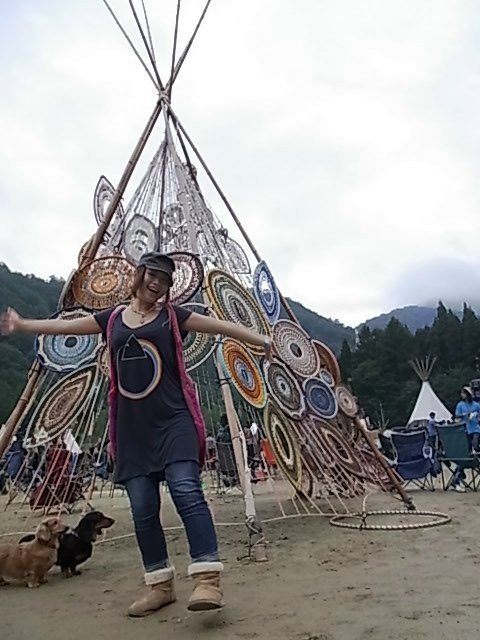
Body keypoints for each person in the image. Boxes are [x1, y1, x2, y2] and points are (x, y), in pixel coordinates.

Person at [0, 251, 272, 617]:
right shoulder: (112, 319)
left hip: (174, 419)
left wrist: (261, 340)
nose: (156, 283)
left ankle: (207, 579)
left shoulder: (173, 317)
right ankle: (160, 585)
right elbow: (67, 327)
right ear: (139, 275)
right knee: (143, 508)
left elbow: (220, 326)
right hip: (131, 428)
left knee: (187, 490)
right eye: (152, 274)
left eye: (164, 279)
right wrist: (22, 325)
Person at [455, 386, 480, 453]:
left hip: (475, 427)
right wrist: (465, 415)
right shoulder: (460, 405)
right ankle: (470, 456)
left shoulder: (476, 405)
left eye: (463, 393)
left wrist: (476, 415)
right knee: (468, 446)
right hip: (465, 428)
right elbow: (457, 415)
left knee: (476, 443)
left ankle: (477, 453)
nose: (461, 395)